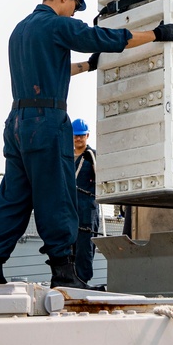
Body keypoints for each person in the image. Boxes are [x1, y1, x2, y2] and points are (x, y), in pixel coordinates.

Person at [0, 0, 173, 288]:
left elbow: (49, 70)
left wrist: (88, 67)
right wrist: (155, 34)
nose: (75, 11)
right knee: (56, 196)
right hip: (46, 123)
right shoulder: (58, 25)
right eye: (76, 5)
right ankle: (63, 272)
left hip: (17, 122)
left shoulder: (21, 30)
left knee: (14, 197)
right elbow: (104, 38)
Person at [71, 119, 100, 285]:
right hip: (69, 205)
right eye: (75, 136)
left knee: (85, 243)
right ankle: (69, 276)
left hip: (87, 206)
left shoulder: (93, 157)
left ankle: (82, 279)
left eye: (81, 136)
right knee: (68, 241)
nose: (78, 139)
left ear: (87, 135)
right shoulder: (66, 156)